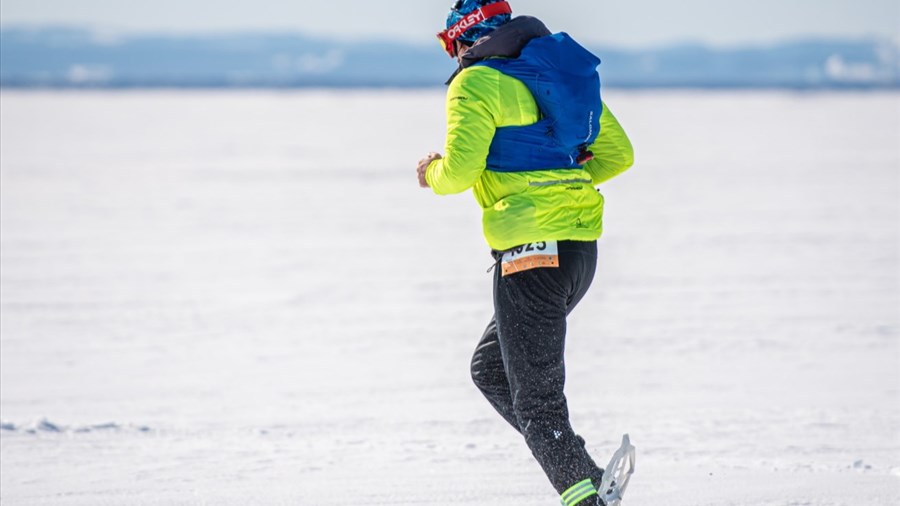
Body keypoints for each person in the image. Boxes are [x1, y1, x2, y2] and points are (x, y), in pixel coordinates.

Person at [416, 1, 635, 505]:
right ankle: (585, 475)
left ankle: (584, 498)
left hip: (531, 253)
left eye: (451, 47)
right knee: (490, 370)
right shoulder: (557, 75)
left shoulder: (474, 84)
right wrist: (559, 182)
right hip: (580, 253)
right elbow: (619, 155)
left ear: (463, 41)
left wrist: (431, 170)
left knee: (536, 403)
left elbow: (459, 175)